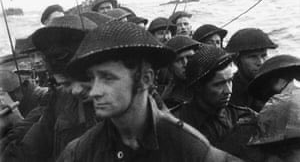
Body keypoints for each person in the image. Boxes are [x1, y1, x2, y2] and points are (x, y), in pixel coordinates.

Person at [58, 21, 242, 162]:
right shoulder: (80, 151)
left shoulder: (188, 148)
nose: (94, 91)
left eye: (108, 78)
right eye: (92, 78)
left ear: (145, 79)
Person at [0, 15, 98, 162]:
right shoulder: (59, 98)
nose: (75, 90)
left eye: (84, 80)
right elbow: (29, 148)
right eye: (66, 84)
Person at [174, 44, 256, 146]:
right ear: (198, 87)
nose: (228, 90)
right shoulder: (175, 124)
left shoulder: (244, 117)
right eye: (218, 84)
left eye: (230, 81)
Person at [225, 28, 278, 112]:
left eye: (263, 55)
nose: (260, 62)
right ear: (236, 60)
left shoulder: (276, 85)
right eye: (253, 57)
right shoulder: (228, 91)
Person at [160, 36, 199, 109]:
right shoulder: (168, 100)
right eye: (179, 60)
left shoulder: (210, 84)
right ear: (170, 67)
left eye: (189, 57)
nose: (186, 63)